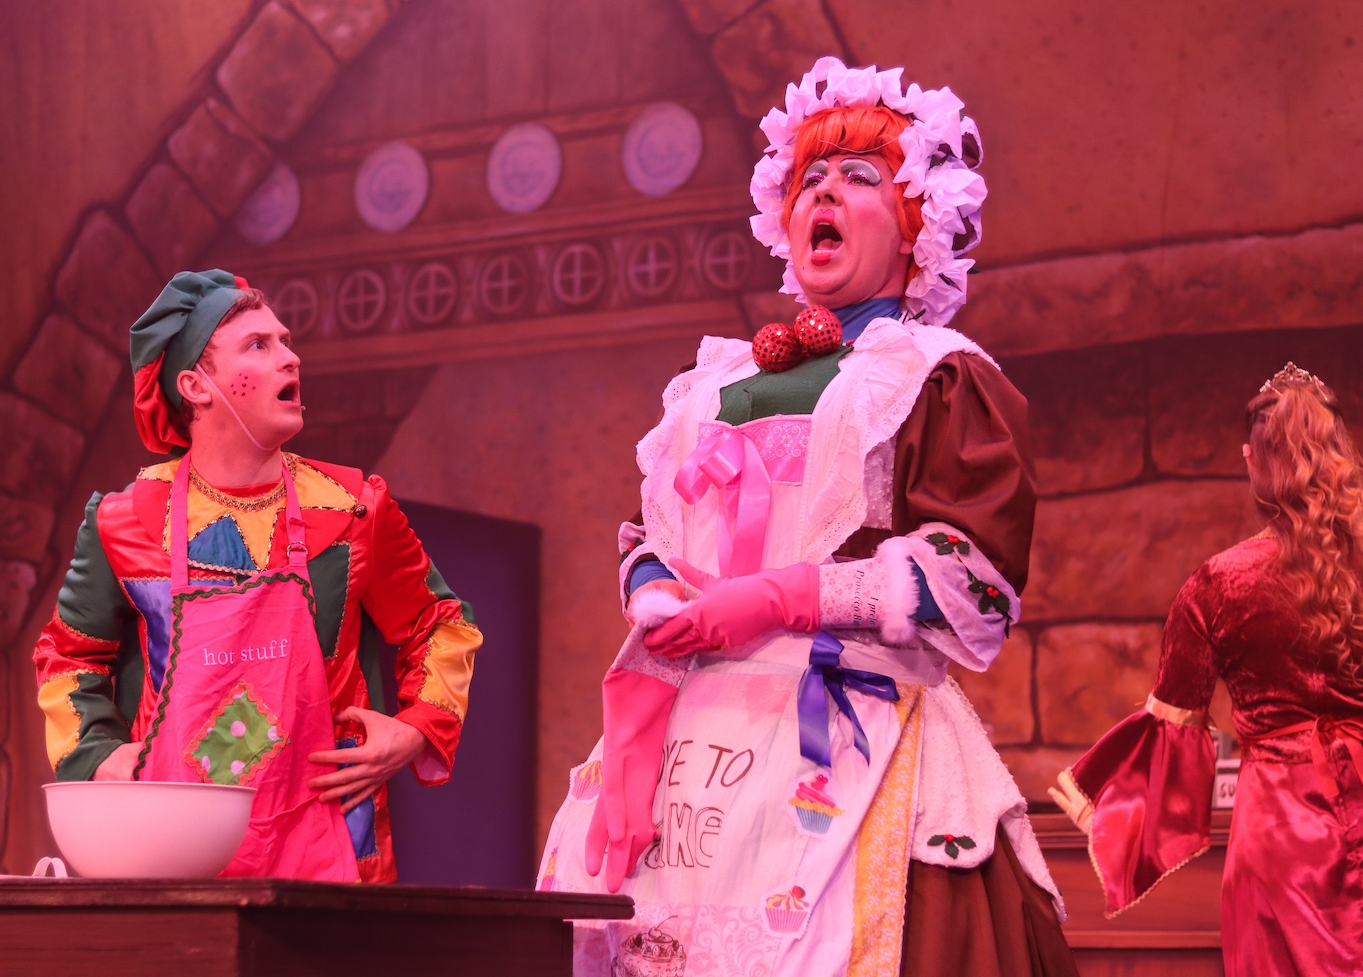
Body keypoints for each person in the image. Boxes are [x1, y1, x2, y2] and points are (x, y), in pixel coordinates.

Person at [537, 58, 1077, 976]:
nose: (823, 192)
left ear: (917, 223)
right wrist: (654, 588)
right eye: (808, 179)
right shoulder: (712, 381)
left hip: (848, 721)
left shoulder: (932, 374)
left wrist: (786, 597)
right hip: (692, 748)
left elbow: (973, 578)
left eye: (860, 177)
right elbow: (647, 531)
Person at [33, 269, 482, 882]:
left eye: (286, 342)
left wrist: (416, 729)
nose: (290, 357)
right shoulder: (127, 519)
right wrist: (98, 756)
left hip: (328, 843)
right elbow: (67, 657)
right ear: (196, 385)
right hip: (164, 851)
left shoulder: (352, 508)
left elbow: (442, 623)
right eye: (258, 345)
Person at [1049, 362, 1363, 976]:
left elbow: (1172, 733)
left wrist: (1109, 810)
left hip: (1279, 831)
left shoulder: (1220, 583)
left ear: (1255, 462)